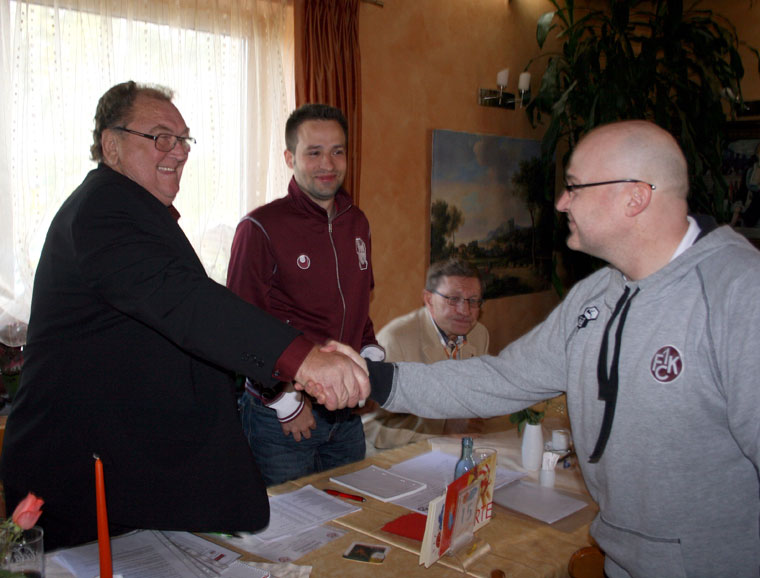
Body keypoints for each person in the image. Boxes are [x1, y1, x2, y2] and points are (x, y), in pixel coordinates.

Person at [346, 120, 760, 577]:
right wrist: (377, 379)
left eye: (575, 187)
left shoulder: (752, 298)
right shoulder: (594, 297)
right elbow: (502, 378)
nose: (562, 201)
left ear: (634, 197)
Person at [0, 82, 368, 551]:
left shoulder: (135, 211)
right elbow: (184, 300)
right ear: (111, 145)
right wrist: (304, 360)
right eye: (160, 137)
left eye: (183, 139)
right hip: (82, 474)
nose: (178, 151)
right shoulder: (103, 208)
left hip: (129, 469)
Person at [227, 103, 384, 486]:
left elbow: (360, 304)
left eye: (338, 151)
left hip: (345, 416)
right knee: (282, 540)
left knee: (349, 527)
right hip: (283, 419)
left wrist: (370, 355)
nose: (327, 163)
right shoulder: (259, 227)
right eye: (314, 152)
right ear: (289, 157)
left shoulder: (357, 222)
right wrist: (281, 399)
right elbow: (238, 327)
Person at [364, 258, 490, 450]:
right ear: (429, 299)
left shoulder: (479, 334)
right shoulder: (394, 340)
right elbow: (370, 425)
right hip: (397, 456)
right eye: (453, 299)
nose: (465, 311)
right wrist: (441, 427)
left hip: (456, 447)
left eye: (473, 301)